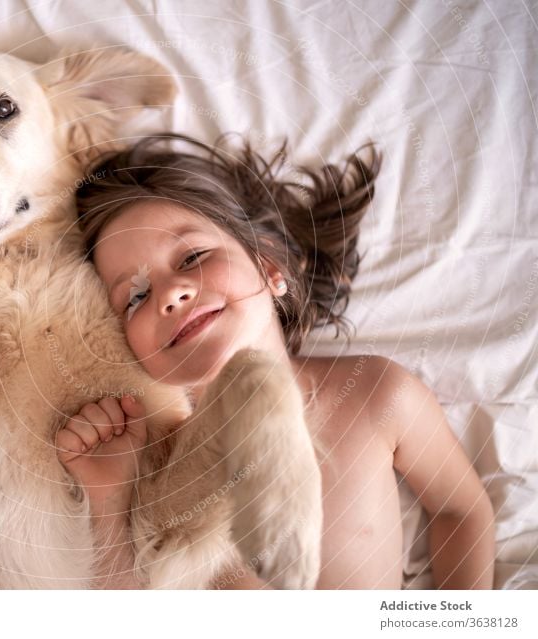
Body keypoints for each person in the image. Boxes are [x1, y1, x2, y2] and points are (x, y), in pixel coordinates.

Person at [55, 134, 495, 589]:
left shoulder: (376, 393)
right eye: (136, 297)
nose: (170, 293)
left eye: (192, 256)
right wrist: (109, 503)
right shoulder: (155, 469)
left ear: (269, 268)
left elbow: (461, 511)